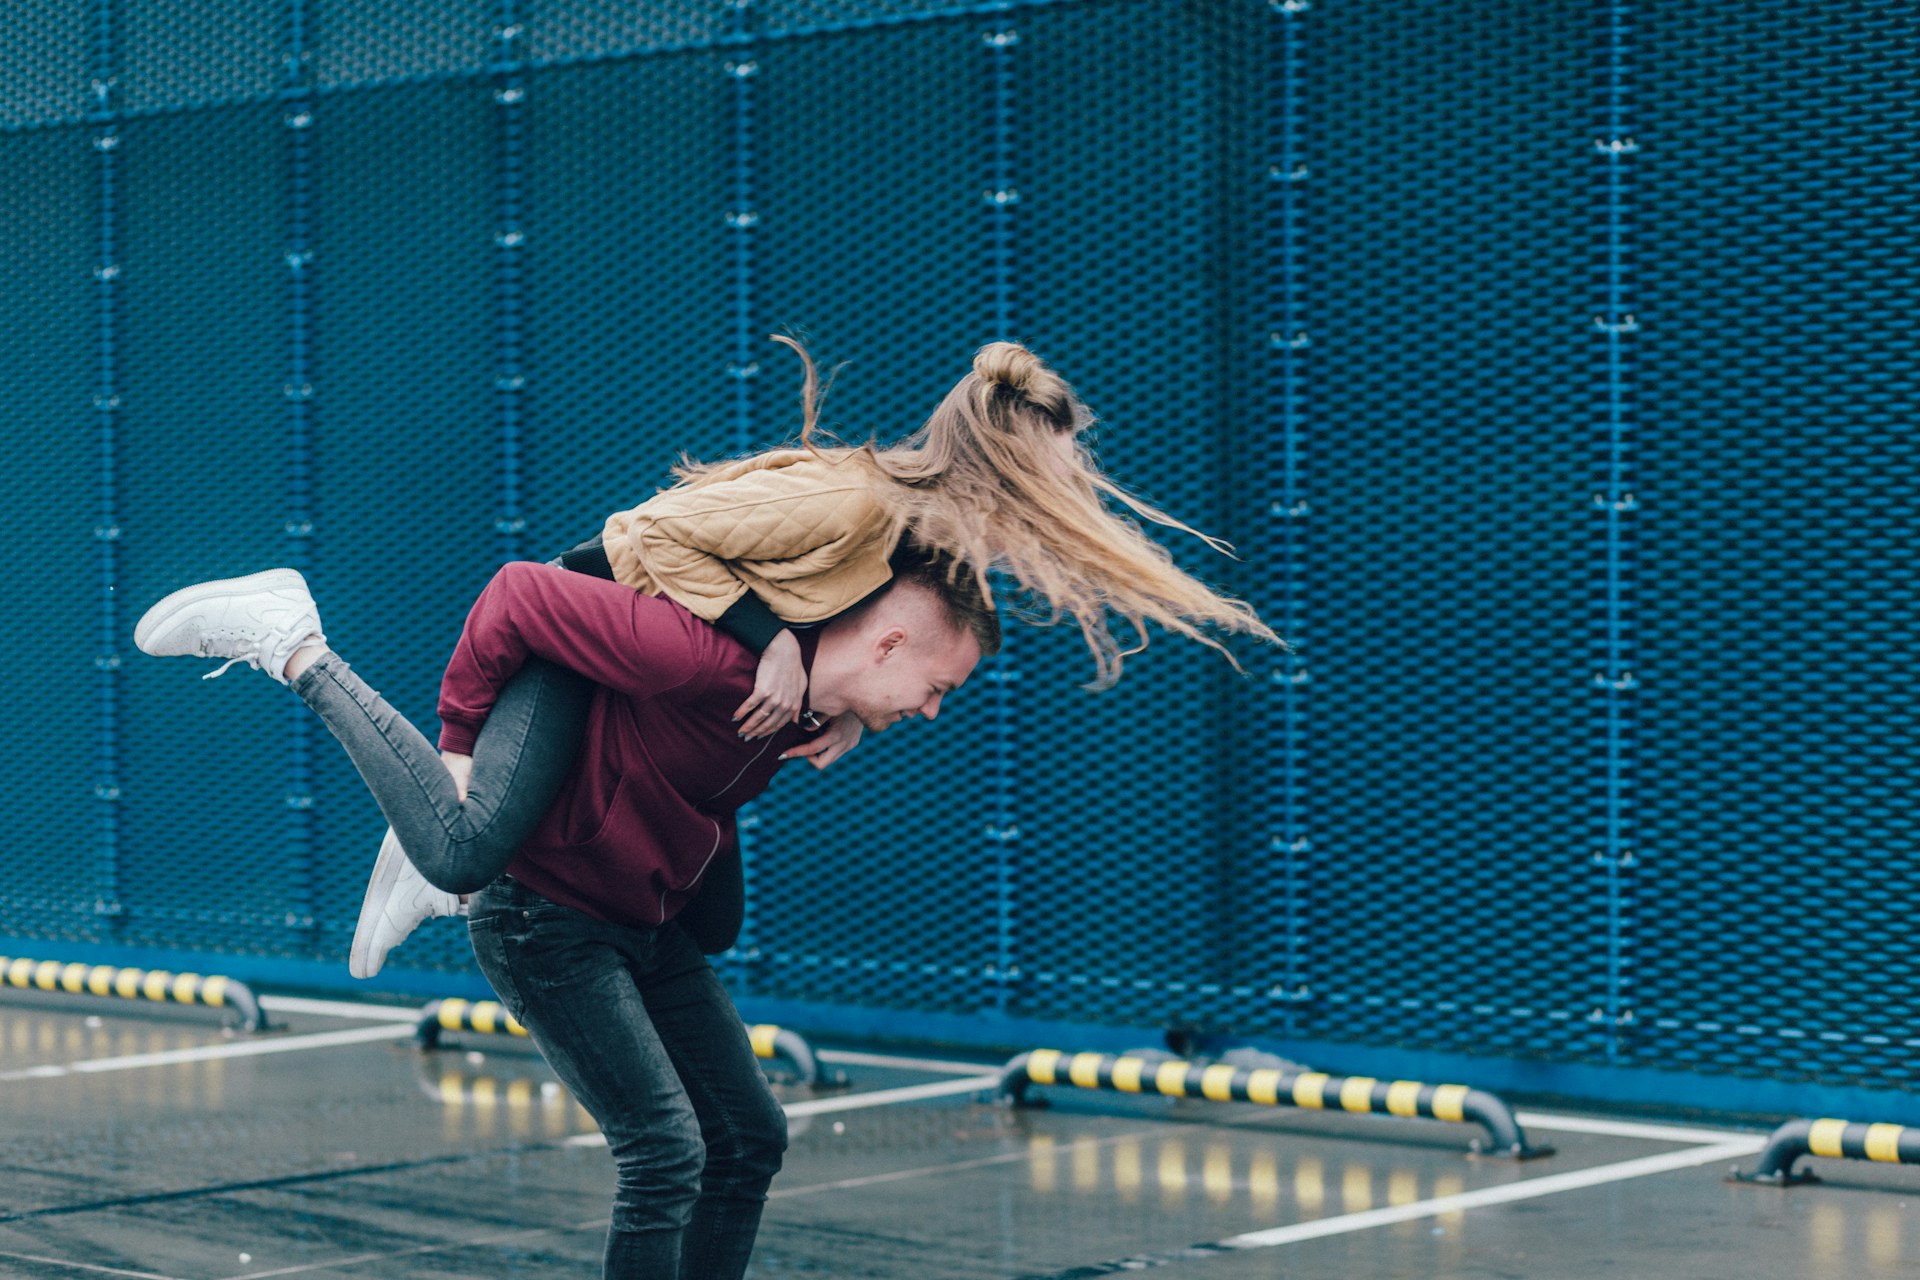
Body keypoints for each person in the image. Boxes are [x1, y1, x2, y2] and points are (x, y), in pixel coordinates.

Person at [134, 549, 999, 1279]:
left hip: (641, 920)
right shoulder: (707, 659)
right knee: (664, 1150)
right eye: (936, 688)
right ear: (889, 643)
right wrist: (460, 756)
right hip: (542, 917)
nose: (929, 711)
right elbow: (520, 590)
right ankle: (297, 650)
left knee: (749, 1134)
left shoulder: (802, 702)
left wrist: (843, 712)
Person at [341, 338, 1286, 974]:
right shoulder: (859, 503)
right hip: (582, 628)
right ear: (1008, 467)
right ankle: (389, 782)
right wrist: (765, 644)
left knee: (700, 923)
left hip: (659, 662)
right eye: (1065, 471)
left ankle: (430, 855)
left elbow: (858, 644)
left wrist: (841, 709)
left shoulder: (920, 547)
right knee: (466, 844)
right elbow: (643, 535)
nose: (1074, 489)